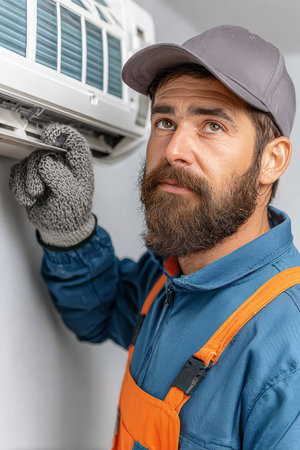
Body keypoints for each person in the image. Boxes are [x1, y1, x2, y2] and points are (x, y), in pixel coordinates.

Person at [9, 25, 300, 449]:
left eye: (212, 125)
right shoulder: (170, 273)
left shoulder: (286, 347)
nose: (174, 148)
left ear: (272, 161)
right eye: (166, 120)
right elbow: (103, 311)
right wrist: (70, 232)